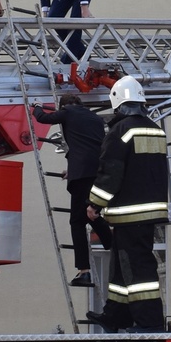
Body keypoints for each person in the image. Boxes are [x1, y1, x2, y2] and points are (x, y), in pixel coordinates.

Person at [86, 76, 169, 332]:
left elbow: (110, 172)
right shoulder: (155, 128)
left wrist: (94, 204)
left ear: (117, 103)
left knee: (139, 270)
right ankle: (116, 315)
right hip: (148, 210)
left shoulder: (119, 132)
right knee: (123, 267)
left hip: (129, 213)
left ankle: (150, 323)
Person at [32, 94, 112, 287]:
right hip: (97, 172)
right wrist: (72, 169)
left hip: (82, 175)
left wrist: (37, 105)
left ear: (64, 106)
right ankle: (113, 245)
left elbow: (42, 118)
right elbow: (89, 147)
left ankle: (85, 270)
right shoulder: (95, 118)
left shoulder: (68, 113)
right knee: (90, 213)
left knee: (77, 221)